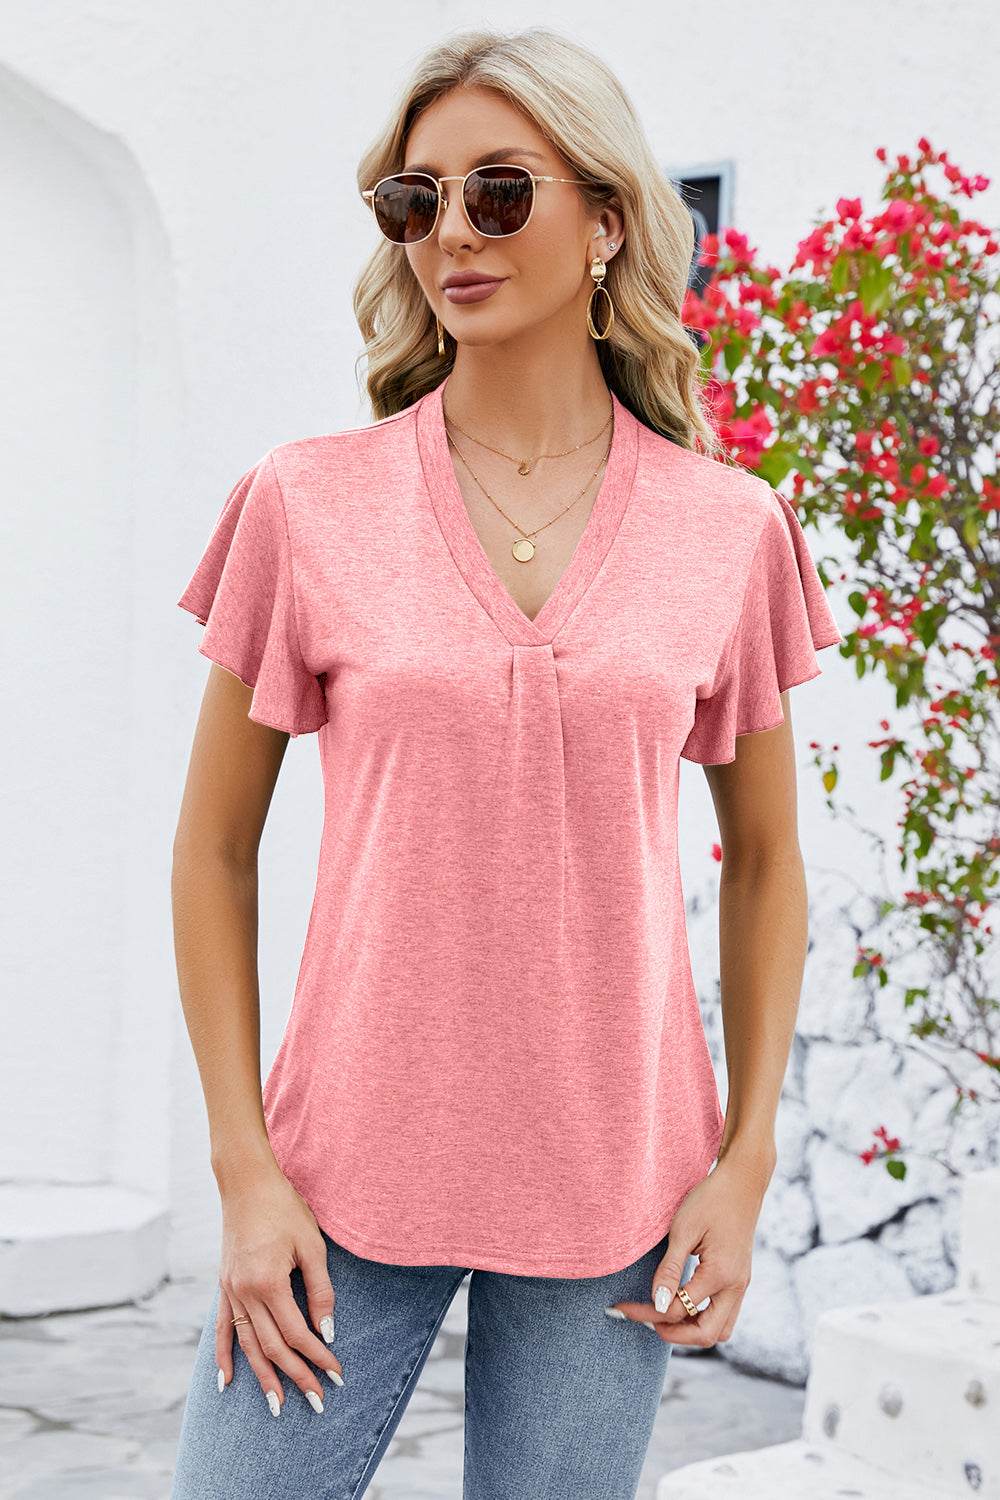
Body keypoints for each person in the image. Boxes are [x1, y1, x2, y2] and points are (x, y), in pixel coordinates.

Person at [169, 25, 843, 1500]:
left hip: (615, 1189)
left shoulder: (729, 531)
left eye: (499, 190)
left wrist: (743, 1161)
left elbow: (767, 861)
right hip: (337, 1176)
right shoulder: (306, 504)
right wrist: (243, 1168)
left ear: (607, 220)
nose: (452, 236)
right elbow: (213, 850)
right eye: (415, 203)